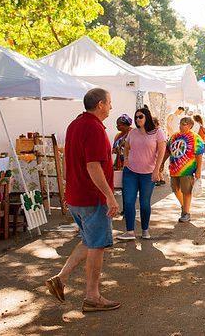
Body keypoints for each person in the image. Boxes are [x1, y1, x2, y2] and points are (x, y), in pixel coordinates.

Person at [45, 88, 120, 312]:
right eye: (109, 103)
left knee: (89, 240)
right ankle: (92, 296)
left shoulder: (75, 124)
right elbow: (93, 166)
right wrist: (109, 196)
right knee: (97, 245)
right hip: (91, 197)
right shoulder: (94, 128)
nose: (111, 107)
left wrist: (69, 190)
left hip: (78, 195)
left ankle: (61, 278)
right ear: (100, 105)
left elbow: (68, 163)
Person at [117, 108, 167, 240]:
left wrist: (157, 170)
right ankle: (130, 232)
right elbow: (126, 147)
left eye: (140, 117)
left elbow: (162, 152)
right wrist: (126, 160)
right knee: (128, 201)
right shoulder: (133, 132)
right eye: (136, 117)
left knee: (145, 202)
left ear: (147, 117)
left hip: (148, 173)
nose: (138, 119)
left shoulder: (158, 132)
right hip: (130, 172)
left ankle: (145, 230)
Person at [167, 116, 204, 223]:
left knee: (186, 191)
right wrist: (161, 164)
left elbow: (199, 154)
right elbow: (168, 150)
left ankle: (186, 212)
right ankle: (184, 206)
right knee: (175, 189)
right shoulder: (174, 136)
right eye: (181, 124)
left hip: (187, 170)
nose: (181, 126)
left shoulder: (195, 137)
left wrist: (198, 170)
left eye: (184, 124)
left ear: (190, 126)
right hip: (174, 169)